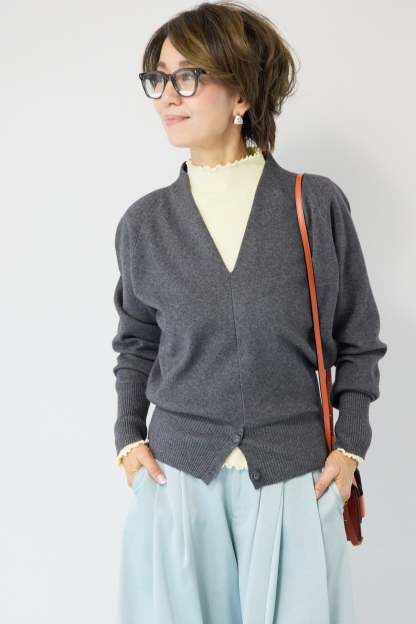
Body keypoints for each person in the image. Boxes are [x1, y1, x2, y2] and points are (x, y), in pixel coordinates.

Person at [111, 2, 388, 622]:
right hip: (178, 477)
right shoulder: (145, 223)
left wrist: (349, 449)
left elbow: (358, 340)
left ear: (241, 94)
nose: (167, 96)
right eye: (158, 78)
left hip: (295, 475)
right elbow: (136, 343)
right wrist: (128, 438)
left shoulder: (314, 205)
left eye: (188, 77)